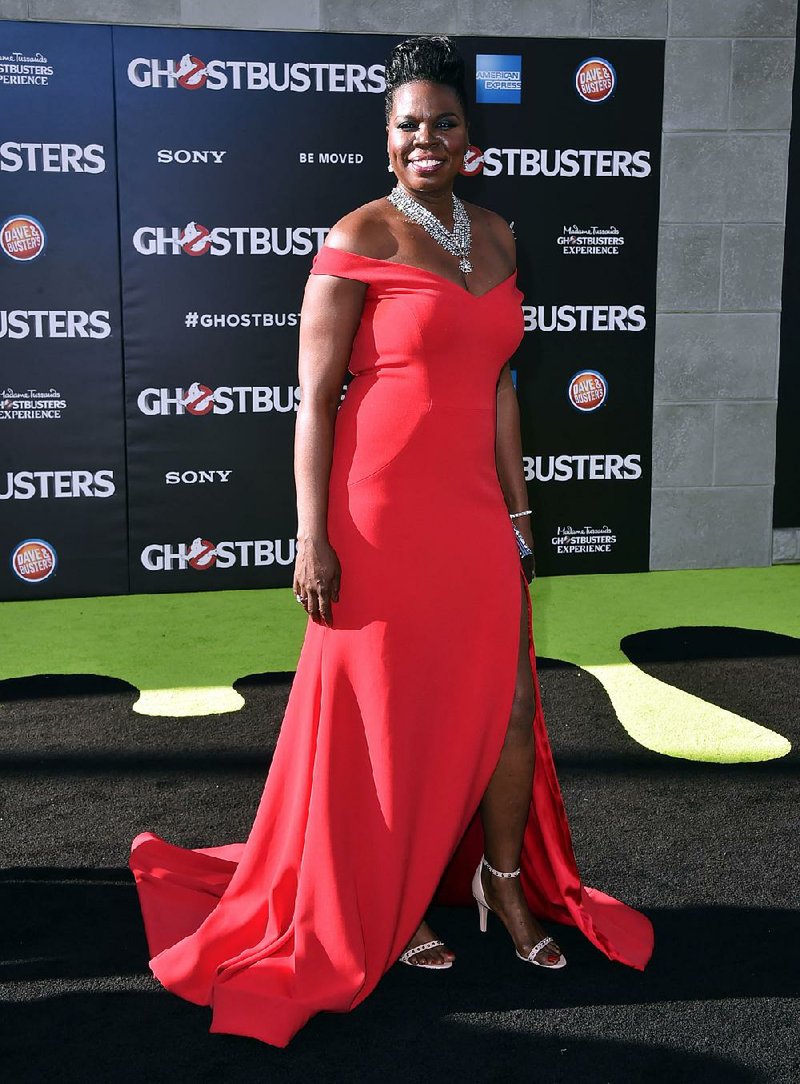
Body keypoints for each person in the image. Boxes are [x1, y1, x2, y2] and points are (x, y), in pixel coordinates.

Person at [129, 35, 653, 1048]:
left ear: (469, 138)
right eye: (409, 123)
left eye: (444, 122)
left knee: (503, 711)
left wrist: (517, 517)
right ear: (387, 138)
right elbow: (313, 402)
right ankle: (392, 901)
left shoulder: (498, 235)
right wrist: (310, 536)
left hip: (468, 515)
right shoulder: (355, 236)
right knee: (383, 722)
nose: (427, 137)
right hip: (374, 519)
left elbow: (499, 385)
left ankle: (504, 889)